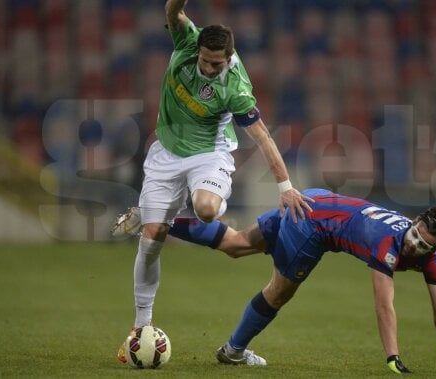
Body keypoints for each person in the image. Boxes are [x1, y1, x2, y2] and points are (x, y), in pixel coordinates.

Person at [115, 0, 313, 363]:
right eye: (205, 60)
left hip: (209, 153)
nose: (207, 67)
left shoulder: (235, 87)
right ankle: (142, 324)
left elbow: (264, 137)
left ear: (229, 58)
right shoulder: (188, 42)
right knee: (153, 237)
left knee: (206, 209)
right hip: (165, 151)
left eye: (216, 63)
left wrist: (285, 187)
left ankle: (156, 214)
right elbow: (173, 12)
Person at [125, 188, 436, 374]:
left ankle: (156, 220)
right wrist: (393, 358)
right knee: (279, 292)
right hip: (313, 225)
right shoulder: (390, 244)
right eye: (415, 233)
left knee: (238, 244)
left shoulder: (434, 262)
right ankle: (233, 352)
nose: (414, 242)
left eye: (424, 244)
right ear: (414, 221)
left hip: (314, 197)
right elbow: (384, 304)